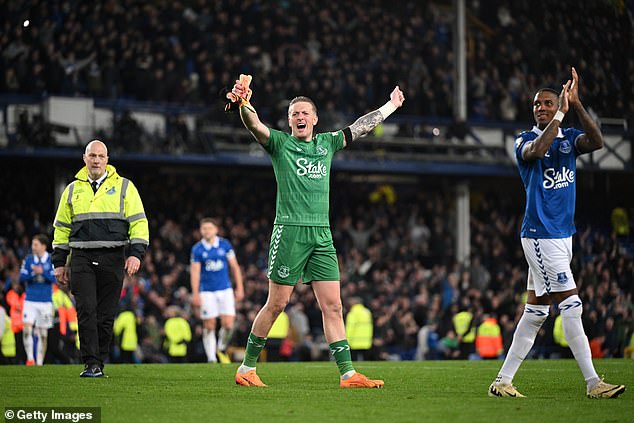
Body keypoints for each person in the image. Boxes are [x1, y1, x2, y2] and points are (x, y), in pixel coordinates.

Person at [228, 74, 404, 388]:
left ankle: (348, 375)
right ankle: (246, 368)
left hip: (321, 235)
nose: (299, 117)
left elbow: (359, 127)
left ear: (315, 119)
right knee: (277, 304)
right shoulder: (280, 144)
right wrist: (244, 103)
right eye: (294, 113)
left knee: (333, 305)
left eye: (305, 113)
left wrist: (389, 106)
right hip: (290, 231)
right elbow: (254, 124)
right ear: (289, 120)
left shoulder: (327, 143)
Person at [488, 68, 625, 399]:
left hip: (564, 235)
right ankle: (593, 384)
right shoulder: (524, 140)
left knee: (535, 312)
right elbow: (536, 151)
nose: (541, 108)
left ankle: (502, 382)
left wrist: (576, 105)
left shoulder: (568, 139)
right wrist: (561, 114)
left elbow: (597, 141)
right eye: (537, 105)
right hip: (539, 234)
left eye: (548, 103)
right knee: (572, 305)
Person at [52, 140, 149, 377]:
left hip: (113, 256)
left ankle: (99, 361)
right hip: (81, 257)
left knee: (105, 315)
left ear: (107, 159)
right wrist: (59, 263)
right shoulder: (72, 190)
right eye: (92, 155)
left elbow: (139, 222)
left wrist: (136, 254)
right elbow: (61, 228)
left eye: (100, 156)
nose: (96, 160)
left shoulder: (126, 187)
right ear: (84, 158)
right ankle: (91, 364)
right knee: (86, 309)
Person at [190, 218, 244, 363]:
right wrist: (195, 293)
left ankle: (221, 346)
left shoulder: (225, 245)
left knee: (228, 324)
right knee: (209, 324)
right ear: (200, 231)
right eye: (204, 228)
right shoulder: (197, 249)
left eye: (209, 228)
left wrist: (240, 287)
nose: (206, 231)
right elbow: (195, 272)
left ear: (216, 230)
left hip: (225, 289)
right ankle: (211, 358)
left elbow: (235, 267)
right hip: (207, 291)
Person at [19, 234, 56, 366]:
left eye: (35, 244)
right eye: (33, 244)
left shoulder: (51, 260)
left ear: (43, 246)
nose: (33, 247)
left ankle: (39, 363)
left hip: (45, 301)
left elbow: (54, 279)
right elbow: (21, 278)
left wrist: (43, 272)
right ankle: (30, 359)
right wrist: (34, 273)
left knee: (43, 333)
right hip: (30, 300)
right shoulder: (28, 260)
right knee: (27, 329)